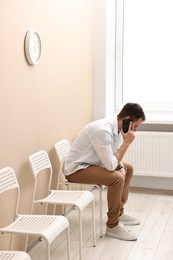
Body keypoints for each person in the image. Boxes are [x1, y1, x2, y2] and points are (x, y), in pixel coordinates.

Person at [63, 103, 146, 241]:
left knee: (128, 168)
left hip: (93, 164)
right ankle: (112, 225)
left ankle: (118, 212)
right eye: (135, 127)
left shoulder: (118, 127)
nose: (135, 131)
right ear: (127, 120)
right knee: (117, 178)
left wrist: (121, 166)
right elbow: (110, 165)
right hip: (76, 169)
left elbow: (113, 154)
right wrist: (126, 144)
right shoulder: (102, 130)